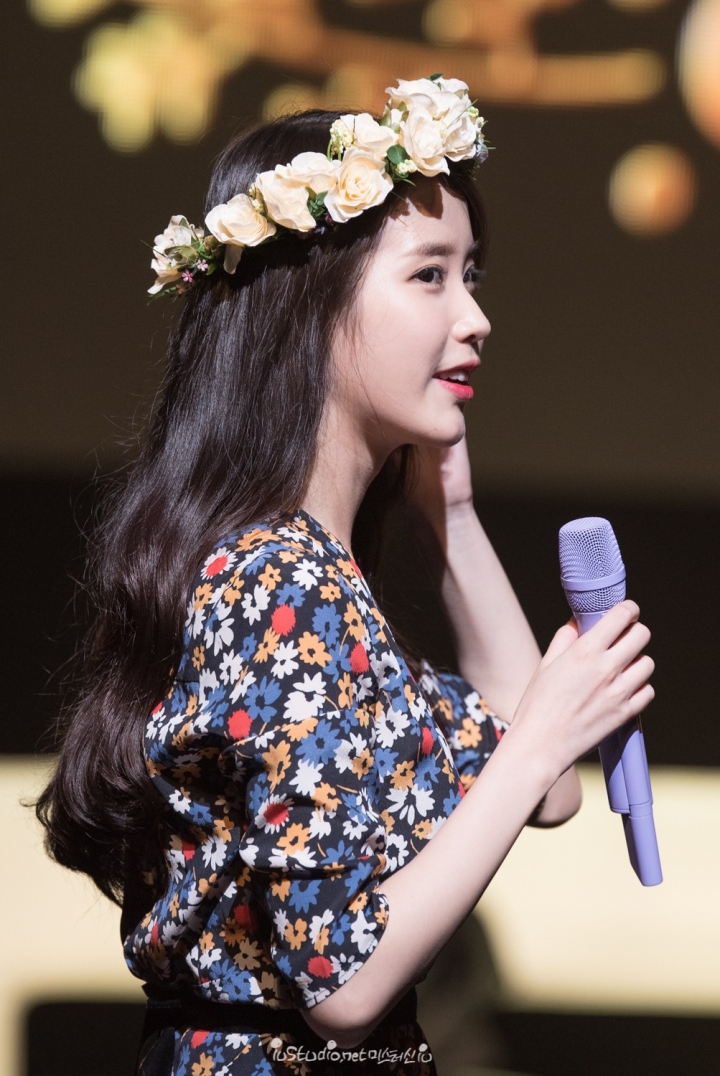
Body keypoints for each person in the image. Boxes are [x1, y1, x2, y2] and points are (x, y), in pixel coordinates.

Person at [34, 77, 654, 1076]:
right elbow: (344, 984)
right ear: (312, 308)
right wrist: (544, 731)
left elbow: (545, 792)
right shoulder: (282, 582)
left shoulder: (316, 572)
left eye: (472, 274)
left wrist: (451, 513)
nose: (476, 316)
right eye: (430, 275)